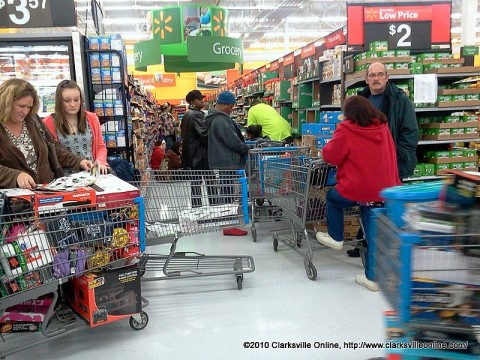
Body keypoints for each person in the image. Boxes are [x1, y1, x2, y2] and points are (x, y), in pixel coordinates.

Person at [315, 95, 401, 291]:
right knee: (374, 235)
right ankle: (372, 278)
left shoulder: (347, 128)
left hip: (358, 189)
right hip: (384, 190)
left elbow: (331, 155)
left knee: (332, 198)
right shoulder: (383, 126)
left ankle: (336, 237)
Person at [347, 61, 419, 258]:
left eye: (380, 74)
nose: (376, 78)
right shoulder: (361, 99)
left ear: (387, 77)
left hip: (391, 165)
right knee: (366, 202)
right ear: (367, 79)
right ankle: (365, 242)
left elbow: (411, 132)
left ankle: (387, 247)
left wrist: (395, 156)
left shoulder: (399, 100)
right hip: (366, 164)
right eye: (372, 75)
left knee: (387, 204)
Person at [0, 79, 92, 189]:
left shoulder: (33, 120)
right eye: (21, 106)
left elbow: (53, 148)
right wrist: (16, 176)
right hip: (14, 199)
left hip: (46, 191)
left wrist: (78, 161)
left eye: (29, 107)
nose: (25, 111)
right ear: (6, 103)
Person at [205, 91, 250, 236]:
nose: (232, 109)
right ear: (223, 104)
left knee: (227, 192)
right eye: (231, 106)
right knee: (227, 193)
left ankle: (228, 223)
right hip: (225, 161)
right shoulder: (221, 121)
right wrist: (245, 148)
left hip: (222, 160)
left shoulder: (216, 118)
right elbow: (232, 141)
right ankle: (228, 225)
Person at [43, 79, 108, 175]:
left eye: (76, 100)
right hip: (64, 178)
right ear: (59, 101)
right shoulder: (48, 122)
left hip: (92, 173)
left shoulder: (91, 118)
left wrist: (100, 161)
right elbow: (52, 153)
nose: (73, 104)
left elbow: (100, 146)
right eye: (67, 101)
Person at [180, 90, 208, 170]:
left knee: (195, 179)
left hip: (190, 153)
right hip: (199, 154)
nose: (202, 101)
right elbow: (204, 134)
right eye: (199, 99)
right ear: (192, 102)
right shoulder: (196, 115)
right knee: (209, 179)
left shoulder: (187, 114)